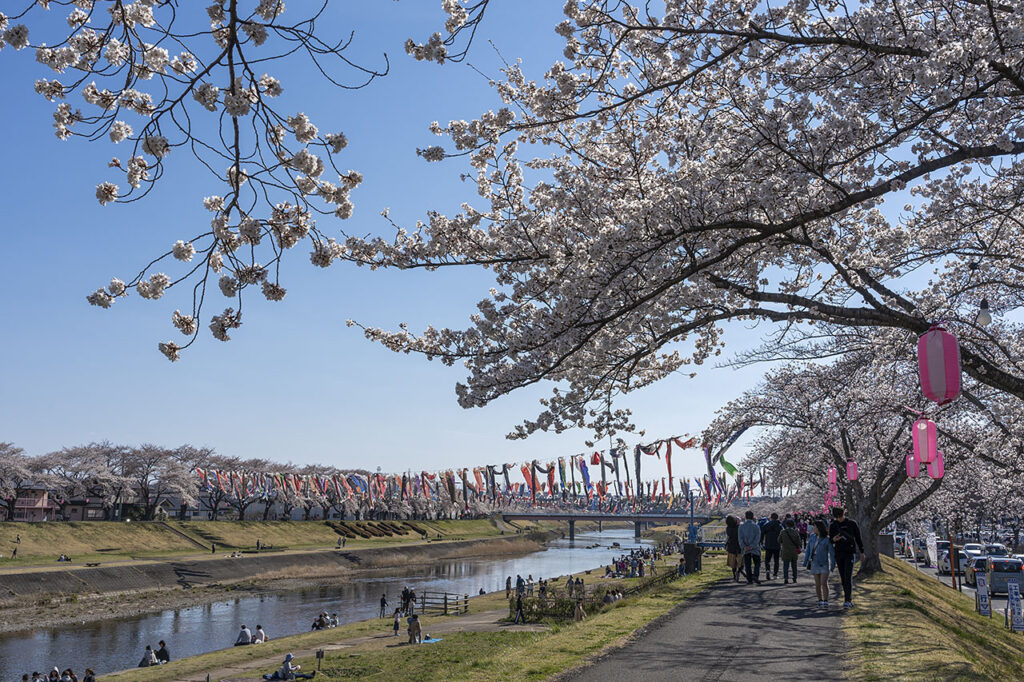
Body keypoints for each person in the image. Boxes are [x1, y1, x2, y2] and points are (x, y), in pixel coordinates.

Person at [829, 506, 865, 608]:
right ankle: (847, 598)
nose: (839, 519)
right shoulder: (833, 525)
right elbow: (830, 539)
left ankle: (848, 600)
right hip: (839, 553)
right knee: (843, 577)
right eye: (837, 517)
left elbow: (858, 538)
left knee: (848, 576)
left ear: (844, 514)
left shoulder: (852, 524)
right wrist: (834, 539)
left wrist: (862, 552)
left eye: (840, 516)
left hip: (849, 552)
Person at [805, 519, 835, 607]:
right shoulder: (812, 537)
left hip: (824, 563)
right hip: (814, 562)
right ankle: (820, 600)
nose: (813, 528)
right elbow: (808, 550)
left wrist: (833, 564)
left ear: (818, 528)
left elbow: (831, 553)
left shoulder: (827, 539)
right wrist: (805, 561)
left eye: (814, 526)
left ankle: (826, 600)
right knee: (817, 584)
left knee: (824, 583)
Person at [738, 511, 762, 585]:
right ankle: (755, 575)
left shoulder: (741, 526)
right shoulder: (756, 526)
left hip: (746, 548)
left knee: (747, 564)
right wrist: (752, 546)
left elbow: (740, 538)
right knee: (757, 563)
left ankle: (749, 579)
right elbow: (758, 538)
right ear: (752, 517)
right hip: (755, 548)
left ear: (745, 517)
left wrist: (744, 546)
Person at [779, 519, 802, 584]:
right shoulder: (795, 532)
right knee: (794, 566)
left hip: (785, 551)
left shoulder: (783, 532)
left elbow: (779, 540)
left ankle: (786, 578)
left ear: (786, 524)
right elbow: (799, 542)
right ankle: (794, 578)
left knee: (786, 565)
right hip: (794, 551)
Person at [761, 513, 783, 580]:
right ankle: (775, 574)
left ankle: (768, 570)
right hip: (777, 545)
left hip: (768, 544)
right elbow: (782, 534)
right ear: (777, 518)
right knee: (776, 560)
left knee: (767, 559)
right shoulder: (779, 526)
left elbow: (762, 533)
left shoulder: (767, 525)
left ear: (771, 517)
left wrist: (761, 542)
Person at [725, 515, 742, 582]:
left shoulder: (728, 529)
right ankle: (739, 572)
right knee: (741, 562)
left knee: (733, 563)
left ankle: (734, 575)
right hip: (739, 546)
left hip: (731, 547)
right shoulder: (739, 528)